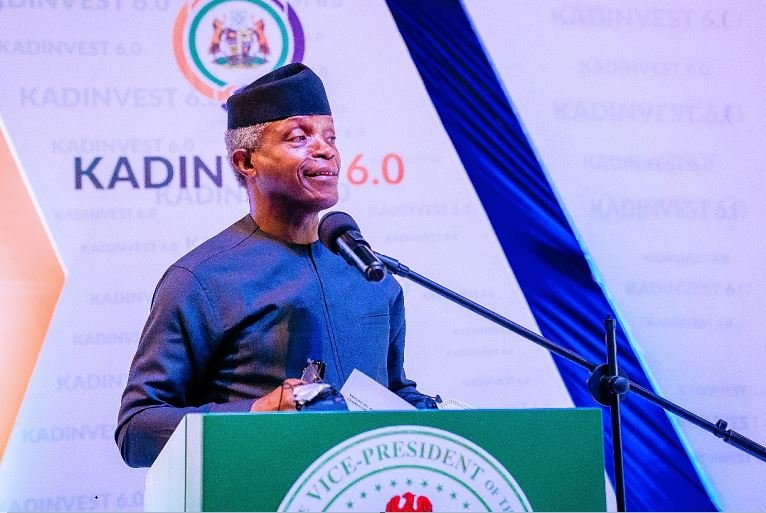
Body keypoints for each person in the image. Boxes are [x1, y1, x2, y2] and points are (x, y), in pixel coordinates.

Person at [115, 63, 435, 468]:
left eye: (330, 136)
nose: (326, 150)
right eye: (299, 137)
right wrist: (255, 414)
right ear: (246, 162)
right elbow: (137, 430)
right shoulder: (200, 281)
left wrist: (452, 420)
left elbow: (393, 391)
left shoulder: (370, 273)